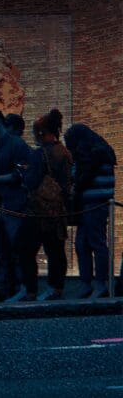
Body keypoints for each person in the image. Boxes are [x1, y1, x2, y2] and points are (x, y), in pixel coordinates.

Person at [16, 114, 69, 300]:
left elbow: (31, 181)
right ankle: (56, 287)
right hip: (58, 208)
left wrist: (23, 172)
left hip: (37, 209)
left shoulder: (39, 154)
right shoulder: (64, 151)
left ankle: (29, 289)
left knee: (25, 248)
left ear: (40, 132)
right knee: (55, 250)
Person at [64, 115, 115, 299]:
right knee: (82, 244)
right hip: (89, 203)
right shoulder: (97, 150)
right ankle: (87, 283)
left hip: (95, 203)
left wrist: (75, 186)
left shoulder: (92, 153)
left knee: (96, 243)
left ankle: (100, 283)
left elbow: (82, 178)